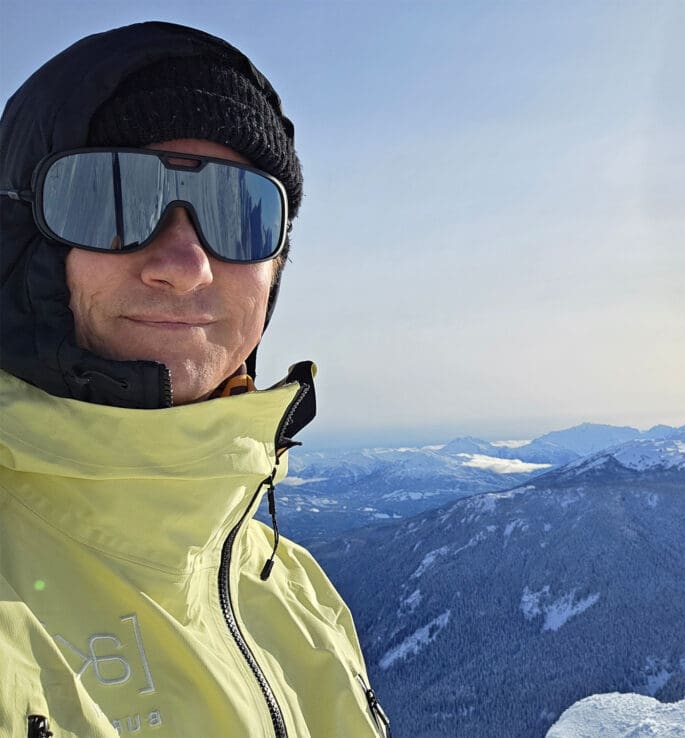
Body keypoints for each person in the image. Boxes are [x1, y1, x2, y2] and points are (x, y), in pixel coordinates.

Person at [0, 22, 389, 738]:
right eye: (111, 197)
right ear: (22, 240)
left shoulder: (293, 592)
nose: (185, 263)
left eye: (237, 215)